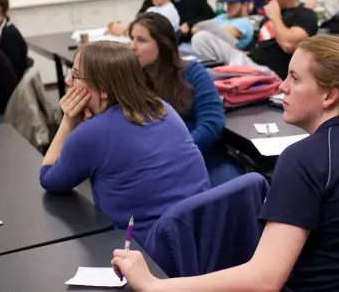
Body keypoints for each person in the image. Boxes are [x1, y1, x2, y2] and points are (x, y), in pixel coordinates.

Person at [111, 35, 339, 292]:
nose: (281, 87)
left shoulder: (304, 160)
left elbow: (265, 279)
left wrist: (155, 285)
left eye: (294, 78)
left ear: (330, 95)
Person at [39, 41, 211, 246]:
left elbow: (48, 179)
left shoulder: (94, 133)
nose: (69, 82)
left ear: (103, 89)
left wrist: (68, 122)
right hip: (202, 237)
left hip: (150, 254)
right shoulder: (162, 107)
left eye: (76, 76)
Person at [129, 13, 244, 186]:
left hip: (204, 156)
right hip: (155, 164)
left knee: (234, 189)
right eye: (132, 39)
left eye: (141, 40)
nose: (132, 47)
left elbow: (212, 123)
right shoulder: (131, 81)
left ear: (163, 44)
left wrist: (177, 152)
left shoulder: (192, 72)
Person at [191, 0, 318, 79]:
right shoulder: (269, 17)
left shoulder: (305, 15)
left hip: (269, 72)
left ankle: (226, 73)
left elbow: (288, 45)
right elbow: (259, 45)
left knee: (209, 69)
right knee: (201, 38)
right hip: (249, 60)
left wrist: (275, 16)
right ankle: (225, 73)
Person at [109, 0, 181, 35]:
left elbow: (148, 35)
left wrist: (123, 31)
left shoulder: (169, 12)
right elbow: (136, 26)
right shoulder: (151, 9)